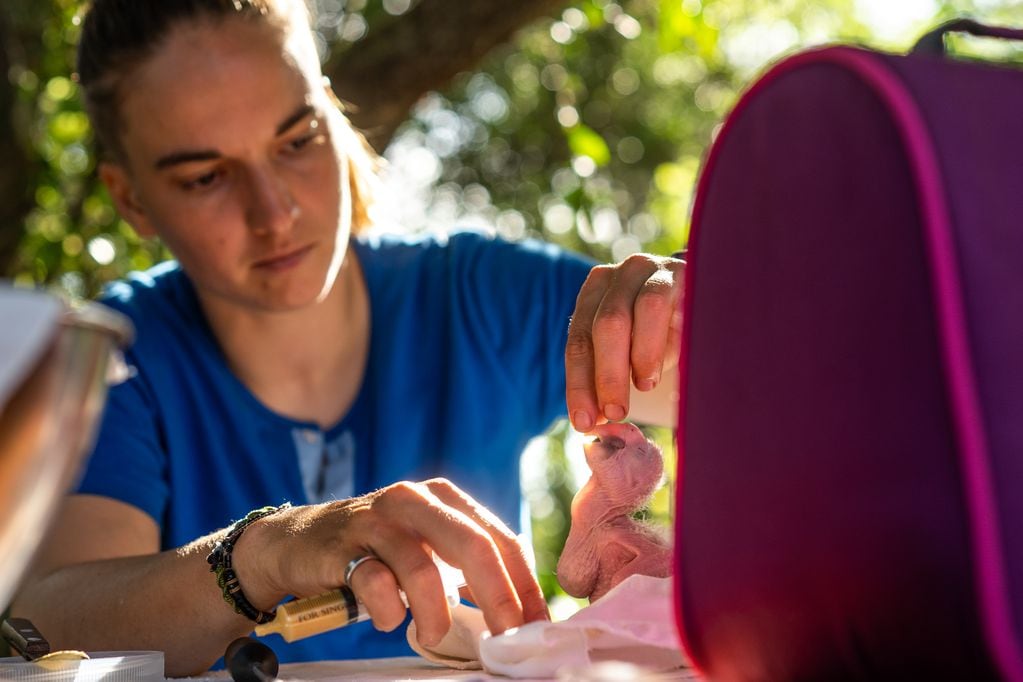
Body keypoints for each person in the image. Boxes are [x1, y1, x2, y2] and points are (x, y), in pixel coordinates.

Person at [11, 0, 684, 676]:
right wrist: (260, 554)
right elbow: (47, 628)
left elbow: (758, 385)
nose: (274, 213)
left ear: (332, 115)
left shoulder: (478, 295)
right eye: (206, 177)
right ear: (130, 199)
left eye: (297, 139)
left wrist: (700, 305)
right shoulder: (118, 360)